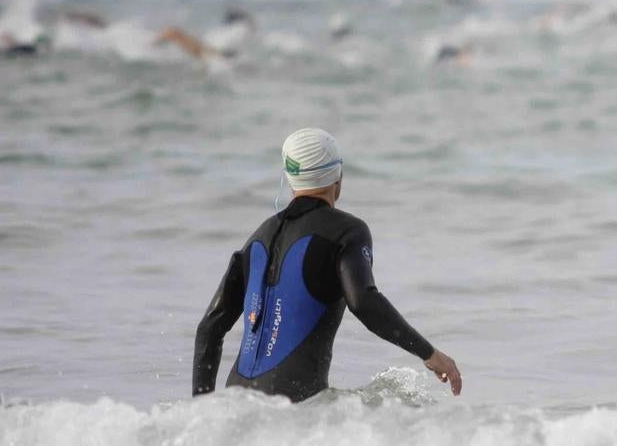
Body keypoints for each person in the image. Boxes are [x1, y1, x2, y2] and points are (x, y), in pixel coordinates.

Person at [193, 128, 462, 401]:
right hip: (294, 407)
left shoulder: (256, 239)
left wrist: (201, 413)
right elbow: (364, 303)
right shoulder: (347, 232)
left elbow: (209, 328)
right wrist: (428, 353)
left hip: (235, 403)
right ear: (338, 176)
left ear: (289, 178)